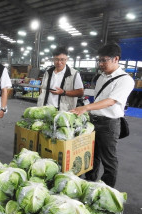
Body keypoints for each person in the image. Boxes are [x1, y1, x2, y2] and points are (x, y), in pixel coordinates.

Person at [71, 42, 134, 187]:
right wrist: (87, 109)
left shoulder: (125, 80)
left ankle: (106, 190)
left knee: (109, 159)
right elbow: (98, 99)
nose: (100, 64)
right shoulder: (101, 77)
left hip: (109, 124)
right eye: (99, 60)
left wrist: (86, 107)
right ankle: (90, 183)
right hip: (94, 121)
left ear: (116, 59)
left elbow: (111, 101)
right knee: (92, 155)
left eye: (104, 60)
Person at [37, 46, 84, 111]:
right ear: (53, 59)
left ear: (66, 59)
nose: (59, 62)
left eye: (62, 59)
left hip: (63, 111)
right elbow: (42, 88)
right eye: (56, 59)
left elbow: (80, 93)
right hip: (45, 108)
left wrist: (64, 92)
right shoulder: (48, 72)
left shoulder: (74, 74)